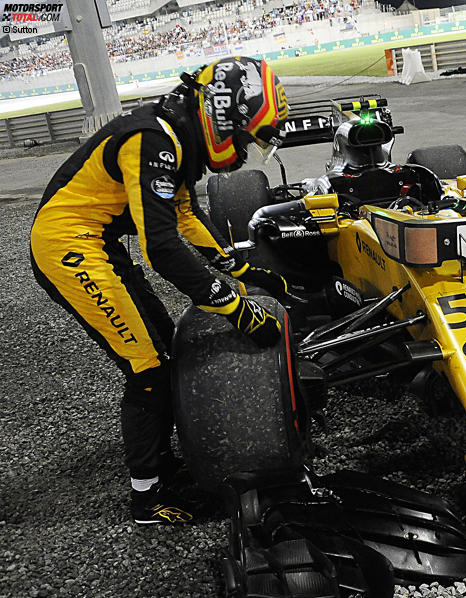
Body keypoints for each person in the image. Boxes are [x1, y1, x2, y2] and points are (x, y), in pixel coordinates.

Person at [29, 56, 292, 525]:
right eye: (245, 137)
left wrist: (239, 266)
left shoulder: (175, 133)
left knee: (163, 346)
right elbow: (164, 249)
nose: (244, 151)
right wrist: (235, 305)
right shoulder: (154, 139)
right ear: (223, 114)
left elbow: (187, 216)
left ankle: (163, 463)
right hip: (67, 247)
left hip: (96, 242)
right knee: (146, 366)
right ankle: (146, 499)